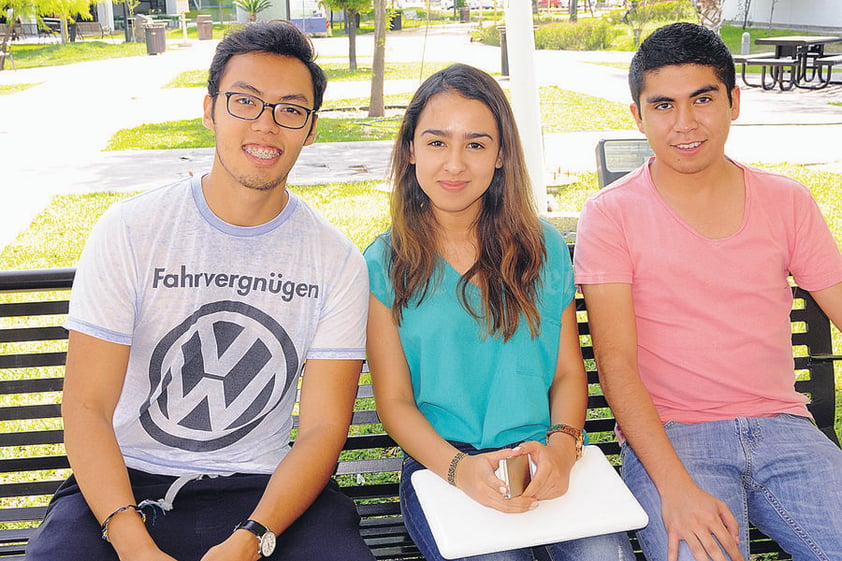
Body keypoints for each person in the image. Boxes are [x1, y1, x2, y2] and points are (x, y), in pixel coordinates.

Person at [25, 21, 373, 561]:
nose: (267, 126)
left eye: (290, 110)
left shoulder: (336, 261)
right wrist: (133, 543)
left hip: (266, 488)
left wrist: (254, 538)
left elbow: (323, 428)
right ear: (210, 109)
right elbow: (87, 406)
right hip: (125, 483)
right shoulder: (131, 231)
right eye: (245, 102)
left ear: (310, 129)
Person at [574, 21, 842, 561]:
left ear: (734, 101)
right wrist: (673, 488)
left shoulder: (786, 201)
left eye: (703, 99)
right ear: (638, 115)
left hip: (784, 428)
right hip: (673, 438)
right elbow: (617, 363)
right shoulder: (611, 215)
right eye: (664, 105)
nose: (686, 123)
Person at [364, 63, 635, 561]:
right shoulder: (386, 262)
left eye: (476, 144)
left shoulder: (544, 248)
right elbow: (396, 403)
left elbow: (567, 374)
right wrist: (457, 469)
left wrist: (561, 446)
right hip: (445, 465)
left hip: (542, 454)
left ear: (501, 154)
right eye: (437, 142)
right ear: (410, 151)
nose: (454, 164)